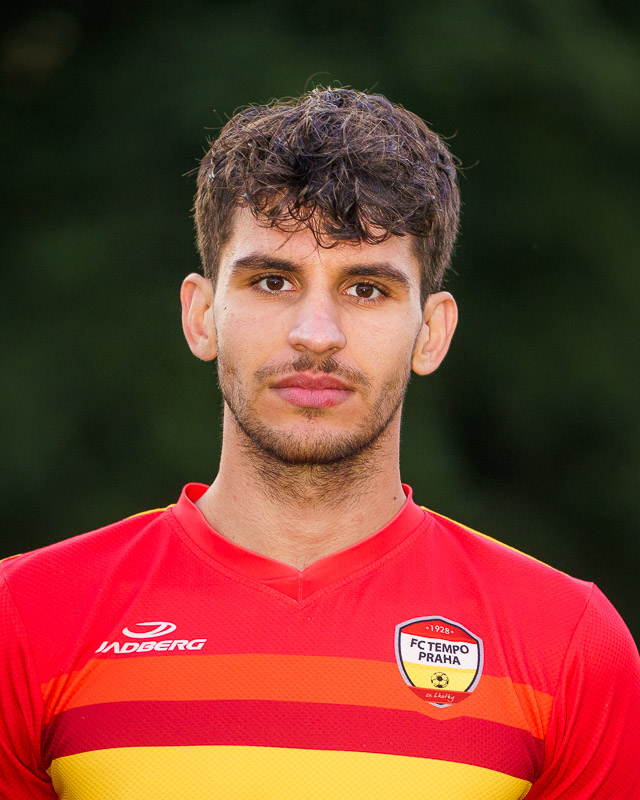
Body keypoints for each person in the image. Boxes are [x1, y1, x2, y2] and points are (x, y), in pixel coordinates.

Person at [1, 87, 638, 800]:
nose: (316, 334)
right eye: (273, 281)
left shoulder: (567, 644)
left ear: (431, 333)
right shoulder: (24, 620)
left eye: (366, 289)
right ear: (201, 315)